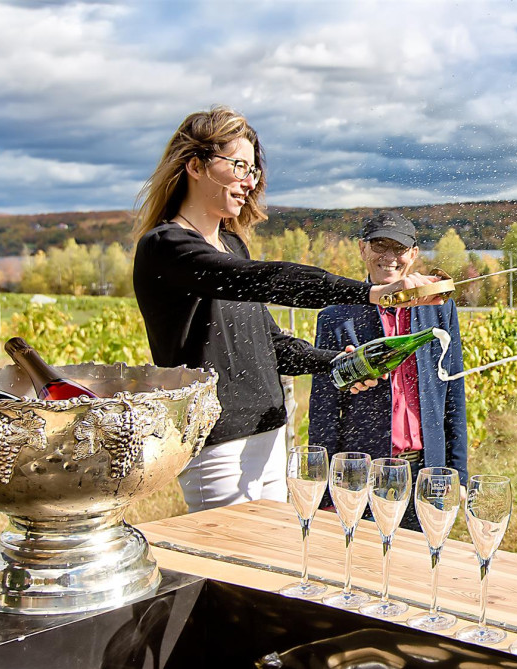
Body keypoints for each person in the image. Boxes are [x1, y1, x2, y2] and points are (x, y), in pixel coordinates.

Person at [132, 107, 441, 513]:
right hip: (219, 443)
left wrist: (335, 363)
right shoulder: (166, 248)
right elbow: (268, 280)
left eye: (254, 172)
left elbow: (269, 344)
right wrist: (373, 293)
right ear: (195, 164)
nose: (249, 181)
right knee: (232, 571)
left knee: (268, 568)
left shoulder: (232, 244)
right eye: (239, 166)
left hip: (270, 433)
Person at [309, 212, 468, 531]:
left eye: (399, 248)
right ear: (362, 249)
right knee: (363, 566)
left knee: (422, 567)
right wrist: (324, 491)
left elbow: (453, 391)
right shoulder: (336, 316)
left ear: (413, 254)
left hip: (428, 472)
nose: (389, 257)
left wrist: (458, 473)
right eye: (380, 246)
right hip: (363, 473)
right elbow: (324, 409)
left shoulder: (438, 305)